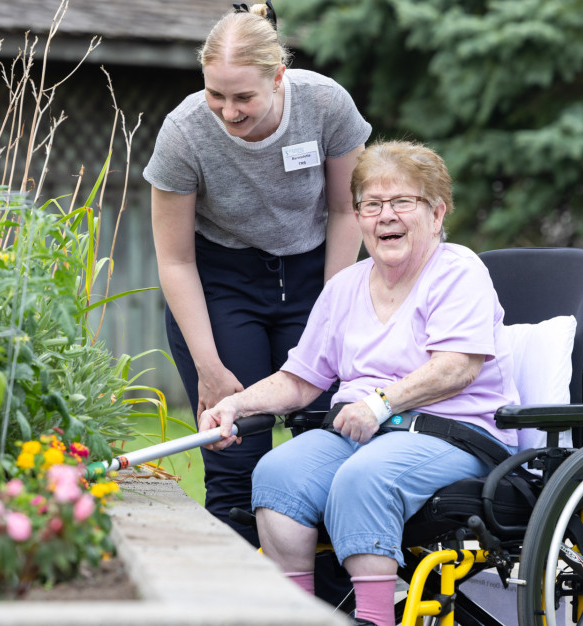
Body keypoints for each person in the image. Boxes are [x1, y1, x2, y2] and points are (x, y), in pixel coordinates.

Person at [199, 140, 520, 626]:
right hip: (363, 433)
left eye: (401, 202)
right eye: (371, 205)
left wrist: (380, 403)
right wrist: (237, 405)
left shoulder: (459, 271)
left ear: (436, 213)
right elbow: (301, 378)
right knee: (277, 473)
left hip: (452, 432)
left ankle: (374, 619)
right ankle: (300, 615)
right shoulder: (345, 286)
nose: (385, 216)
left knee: (364, 479)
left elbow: (458, 366)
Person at [143, 2, 371, 545]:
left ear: (278, 77)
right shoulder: (184, 134)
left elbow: (346, 211)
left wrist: (332, 311)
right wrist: (208, 366)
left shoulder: (325, 104)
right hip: (222, 282)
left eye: (243, 96)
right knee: (235, 450)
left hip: (317, 273)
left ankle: (325, 592)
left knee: (325, 439)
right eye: (215, 94)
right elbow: (175, 259)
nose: (228, 111)